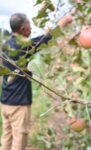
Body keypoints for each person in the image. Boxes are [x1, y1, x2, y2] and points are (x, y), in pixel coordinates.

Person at [0, 13, 54, 150]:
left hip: (5, 101)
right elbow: (43, 40)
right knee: (19, 139)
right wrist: (55, 29)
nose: (31, 28)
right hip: (19, 104)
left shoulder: (5, 46)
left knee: (6, 137)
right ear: (23, 29)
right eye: (29, 25)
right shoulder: (24, 46)